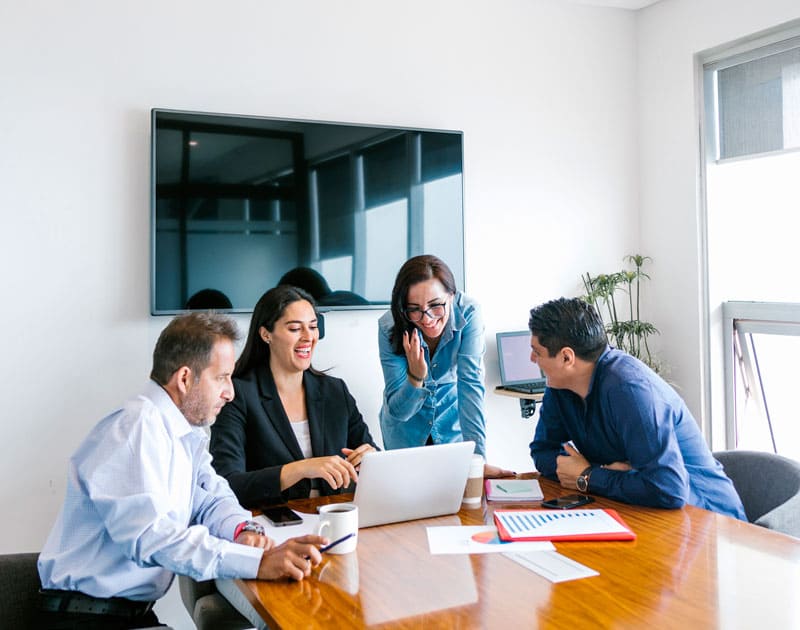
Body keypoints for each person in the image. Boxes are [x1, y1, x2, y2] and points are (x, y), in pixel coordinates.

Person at [37, 312, 328, 629]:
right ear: (185, 378)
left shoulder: (184, 431)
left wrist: (243, 531)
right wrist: (257, 562)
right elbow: (152, 538)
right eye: (222, 378)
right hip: (85, 618)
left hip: (130, 615)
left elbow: (212, 498)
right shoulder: (137, 428)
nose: (230, 392)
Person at [527, 297, 746, 519]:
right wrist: (600, 474)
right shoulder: (560, 385)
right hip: (645, 512)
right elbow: (543, 451)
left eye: (537, 351)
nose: (532, 358)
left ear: (566, 357)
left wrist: (588, 476)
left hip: (710, 519)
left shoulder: (629, 390)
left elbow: (669, 489)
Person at [210, 285, 377, 508]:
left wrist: (370, 459)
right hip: (271, 522)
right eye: (295, 329)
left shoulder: (335, 391)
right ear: (266, 334)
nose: (308, 337)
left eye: (313, 327)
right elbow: (227, 483)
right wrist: (300, 468)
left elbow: (373, 459)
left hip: (335, 514)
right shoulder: (237, 396)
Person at [378, 254, 513, 477]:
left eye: (436, 305)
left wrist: (477, 462)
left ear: (451, 295)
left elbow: (470, 385)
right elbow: (399, 412)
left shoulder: (469, 313)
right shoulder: (389, 327)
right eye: (414, 309)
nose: (427, 318)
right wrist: (415, 377)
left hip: (451, 422)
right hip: (405, 434)